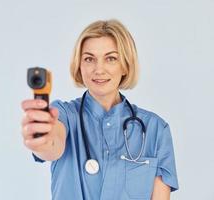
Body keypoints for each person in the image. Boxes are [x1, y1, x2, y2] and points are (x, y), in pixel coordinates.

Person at [21, 19, 179, 200]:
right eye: (89, 59)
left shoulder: (155, 129)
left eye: (111, 58)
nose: (99, 69)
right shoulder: (63, 115)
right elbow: (51, 146)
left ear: (125, 65)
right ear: (79, 66)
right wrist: (40, 137)